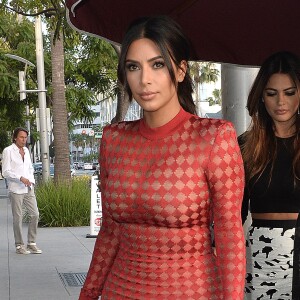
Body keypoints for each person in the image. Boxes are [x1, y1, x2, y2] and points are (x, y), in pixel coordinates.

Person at [80, 15, 245, 300]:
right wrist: (87, 294)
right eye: (133, 67)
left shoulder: (214, 137)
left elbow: (230, 237)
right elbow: (109, 233)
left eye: (157, 65)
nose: (144, 79)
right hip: (119, 290)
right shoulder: (113, 140)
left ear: (180, 71)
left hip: (192, 291)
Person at [239, 51, 300, 299]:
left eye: (289, 92)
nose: (280, 102)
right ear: (261, 97)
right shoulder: (245, 146)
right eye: (271, 93)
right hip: (263, 252)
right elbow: (235, 212)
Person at [2, 127, 42, 255]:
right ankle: (19, 245)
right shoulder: (8, 151)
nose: (24, 140)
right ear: (15, 137)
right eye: (21, 137)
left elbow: (30, 168)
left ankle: (31, 243)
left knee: (35, 214)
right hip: (16, 189)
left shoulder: (26, 150)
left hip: (28, 188)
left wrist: (31, 181)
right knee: (17, 218)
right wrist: (20, 178)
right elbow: (6, 172)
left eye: (25, 138)